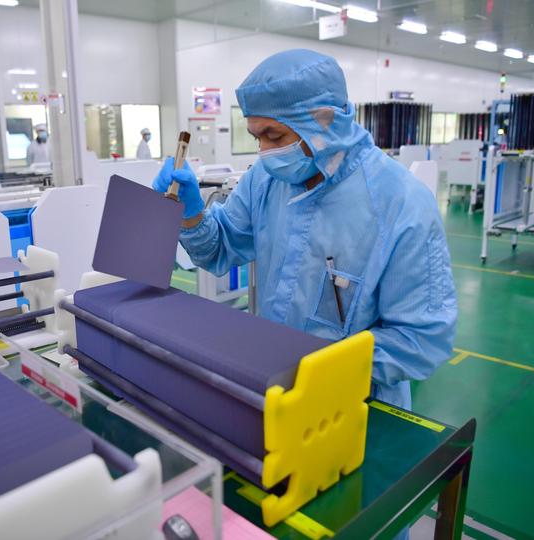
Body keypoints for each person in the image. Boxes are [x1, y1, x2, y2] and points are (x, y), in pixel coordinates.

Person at [153, 49, 456, 410]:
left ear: (325, 123)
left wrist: (318, 367)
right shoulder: (265, 179)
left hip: (358, 405)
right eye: (256, 138)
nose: (264, 151)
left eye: (274, 136)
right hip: (271, 390)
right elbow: (219, 250)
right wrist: (190, 216)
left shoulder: (400, 204)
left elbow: (422, 339)